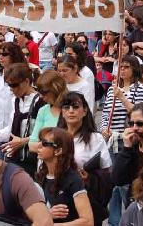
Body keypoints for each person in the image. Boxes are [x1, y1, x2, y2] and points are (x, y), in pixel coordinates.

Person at [57, 92, 112, 225]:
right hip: (59, 200)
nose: (71, 111)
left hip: (86, 199)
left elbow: (107, 173)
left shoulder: (95, 139)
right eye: (66, 107)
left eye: (75, 107)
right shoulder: (54, 137)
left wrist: (88, 177)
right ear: (62, 112)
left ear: (85, 111)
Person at [36, 127, 94, 225]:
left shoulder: (73, 179)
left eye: (45, 143)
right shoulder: (40, 175)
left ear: (58, 151)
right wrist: (46, 214)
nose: (38, 145)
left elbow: (88, 221)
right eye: (39, 141)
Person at [0, 63, 45, 176]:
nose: (12, 89)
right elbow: (10, 128)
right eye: (9, 85)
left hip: (34, 160)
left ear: (26, 81)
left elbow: (46, 133)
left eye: (15, 85)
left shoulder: (41, 101)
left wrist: (23, 141)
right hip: (14, 159)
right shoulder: (14, 100)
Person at [0, 42, 27, 148]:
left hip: (14, 132)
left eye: (5, 54)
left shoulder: (23, 76)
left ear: (14, 55)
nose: (1, 58)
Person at [100, 55, 143, 144]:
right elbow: (105, 113)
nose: (122, 69)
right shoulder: (112, 89)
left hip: (131, 139)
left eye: (126, 67)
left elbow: (141, 114)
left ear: (134, 69)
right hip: (112, 140)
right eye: (120, 66)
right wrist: (104, 129)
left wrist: (122, 97)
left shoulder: (140, 89)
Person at [29, 70, 68, 152]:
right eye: (39, 92)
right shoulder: (43, 110)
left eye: (44, 92)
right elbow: (31, 145)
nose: (41, 96)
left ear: (56, 89)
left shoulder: (72, 109)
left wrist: (44, 145)